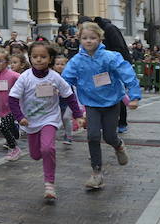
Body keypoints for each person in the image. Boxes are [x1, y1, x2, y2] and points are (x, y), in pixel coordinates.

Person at [62, 22, 140, 190]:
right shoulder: (76, 61)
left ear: (100, 38)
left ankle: (118, 145)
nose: (88, 41)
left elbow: (127, 74)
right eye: (84, 38)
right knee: (93, 135)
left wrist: (134, 96)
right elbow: (65, 80)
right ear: (79, 39)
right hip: (91, 104)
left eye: (92, 38)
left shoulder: (110, 57)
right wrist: (57, 90)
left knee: (109, 136)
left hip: (111, 102)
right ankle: (96, 173)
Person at [8, 42, 84, 201]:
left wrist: (77, 114)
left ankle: (49, 184)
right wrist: (19, 117)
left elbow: (69, 95)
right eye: (35, 57)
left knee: (48, 148)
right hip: (30, 121)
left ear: (50, 59)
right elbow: (13, 99)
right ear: (30, 58)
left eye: (43, 57)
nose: (38, 60)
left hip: (50, 118)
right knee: (36, 155)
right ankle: (44, 157)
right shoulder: (25, 77)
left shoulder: (55, 77)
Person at [78, 15, 133, 133]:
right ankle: (104, 121)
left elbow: (119, 48)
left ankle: (122, 122)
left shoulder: (109, 29)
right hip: (99, 70)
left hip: (113, 67)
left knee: (117, 93)